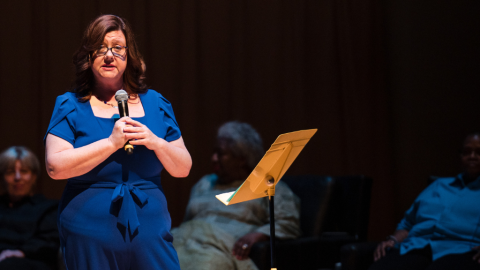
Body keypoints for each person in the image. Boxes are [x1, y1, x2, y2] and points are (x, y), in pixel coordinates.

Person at [44, 15, 192, 270]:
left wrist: (156, 142)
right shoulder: (71, 105)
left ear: (129, 54)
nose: (109, 55)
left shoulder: (156, 103)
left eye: (117, 47)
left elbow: (183, 168)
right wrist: (111, 143)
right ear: (88, 57)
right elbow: (55, 167)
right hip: (88, 233)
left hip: (150, 233)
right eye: (100, 48)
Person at [172, 121, 301, 270]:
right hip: (183, 243)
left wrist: (259, 235)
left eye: (221, 154)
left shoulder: (269, 185)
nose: (214, 158)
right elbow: (189, 223)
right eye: (214, 152)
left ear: (242, 158)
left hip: (219, 249)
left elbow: (288, 223)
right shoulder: (204, 183)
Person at [369, 133, 480, 270]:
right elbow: (407, 223)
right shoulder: (438, 185)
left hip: (461, 248)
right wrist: (393, 240)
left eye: (478, 152)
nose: (472, 156)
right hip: (417, 245)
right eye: (467, 152)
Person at [0, 146, 59, 270]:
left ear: (33, 176)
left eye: (24, 171)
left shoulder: (47, 208)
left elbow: (49, 243)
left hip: (30, 262)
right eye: (10, 172)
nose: (17, 177)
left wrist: (21, 252)